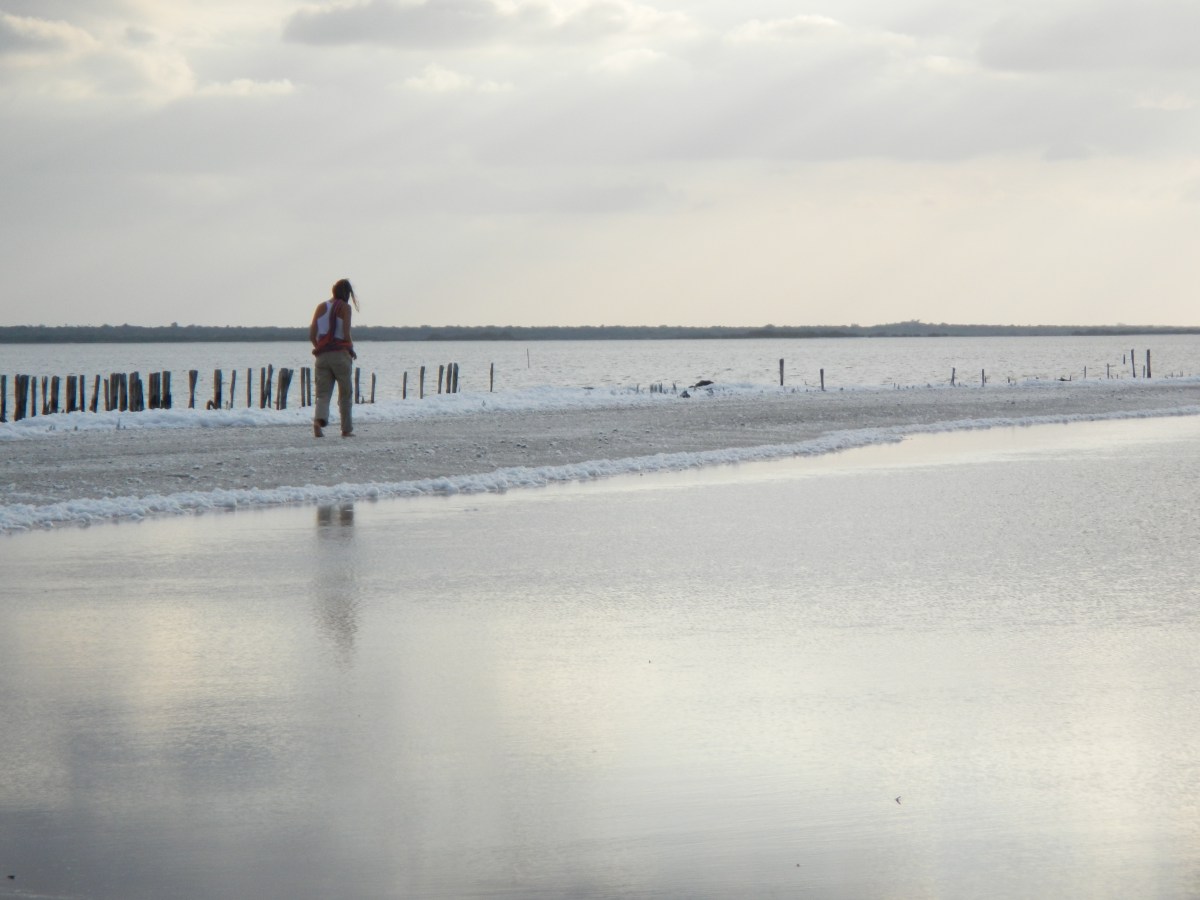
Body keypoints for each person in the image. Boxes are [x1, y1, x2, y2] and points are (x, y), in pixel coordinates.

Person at [310, 278, 359, 437]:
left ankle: (318, 422)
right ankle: (346, 429)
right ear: (347, 293)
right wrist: (351, 349)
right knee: (345, 393)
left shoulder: (321, 307)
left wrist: (320, 347)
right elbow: (346, 333)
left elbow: (312, 334)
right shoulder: (345, 308)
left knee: (322, 394)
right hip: (340, 354)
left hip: (322, 356)